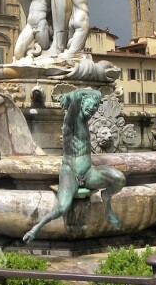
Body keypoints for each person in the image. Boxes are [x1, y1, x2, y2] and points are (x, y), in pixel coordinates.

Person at [23, 89, 125, 244]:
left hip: (89, 172)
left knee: (119, 178)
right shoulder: (70, 122)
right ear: (82, 104)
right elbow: (76, 96)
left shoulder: (84, 121)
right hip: (70, 172)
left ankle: (106, 198)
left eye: (95, 109)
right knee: (63, 207)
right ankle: (36, 228)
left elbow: (97, 94)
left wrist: (89, 97)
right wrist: (67, 96)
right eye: (90, 107)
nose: (92, 111)